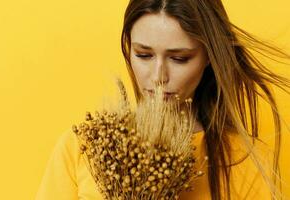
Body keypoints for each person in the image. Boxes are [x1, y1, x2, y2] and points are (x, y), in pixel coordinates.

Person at [35, 0, 290, 199]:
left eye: (179, 58)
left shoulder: (249, 159)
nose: (158, 76)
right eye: (144, 55)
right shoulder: (82, 146)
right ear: (129, 49)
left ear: (209, 56)